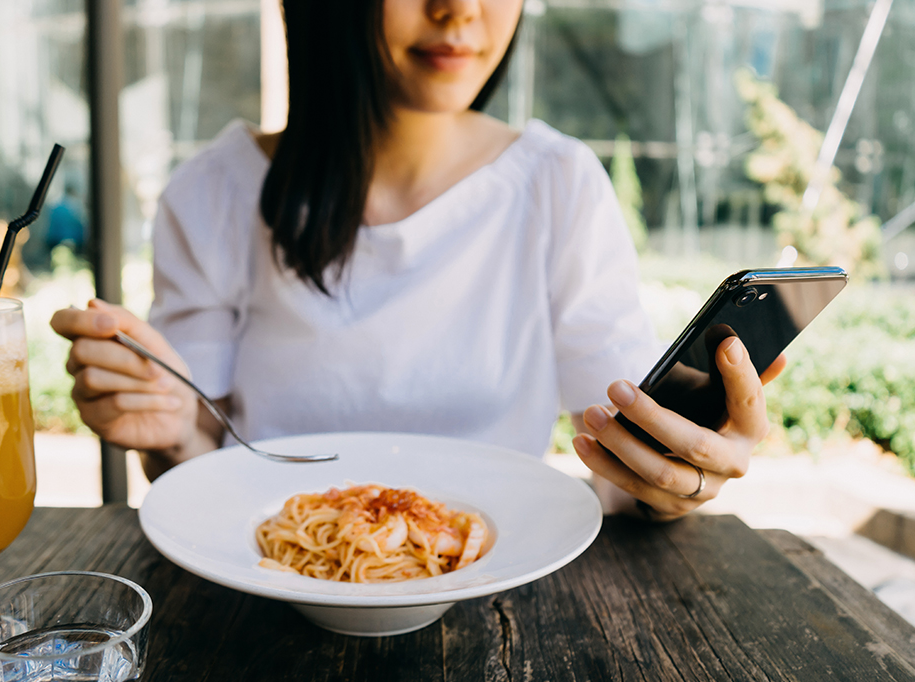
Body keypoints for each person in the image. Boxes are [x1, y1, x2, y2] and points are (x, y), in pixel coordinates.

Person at [50, 0, 784, 522]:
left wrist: (675, 478)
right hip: (273, 573)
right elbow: (199, 452)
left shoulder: (556, 182)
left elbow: (627, 458)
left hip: (500, 580)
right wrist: (169, 424)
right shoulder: (213, 194)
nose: (459, 9)